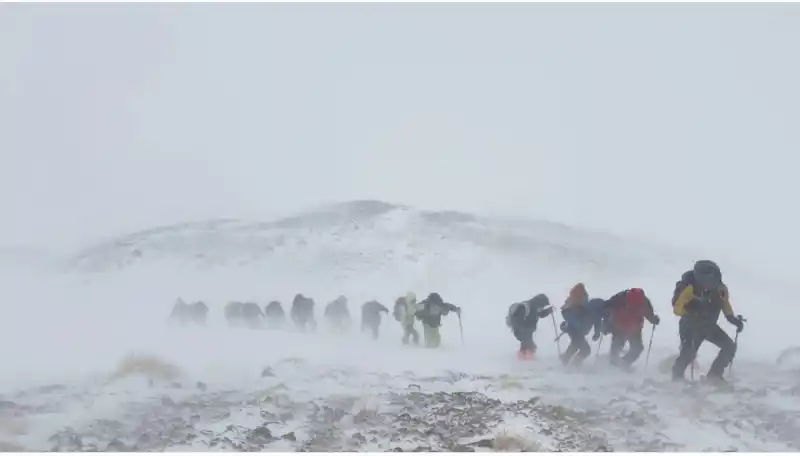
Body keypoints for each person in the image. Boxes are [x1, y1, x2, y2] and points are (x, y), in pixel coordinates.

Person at [671, 260, 745, 383]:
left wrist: (733, 320)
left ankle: (714, 375)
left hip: (708, 325)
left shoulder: (721, 289)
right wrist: (689, 311)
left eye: (712, 281)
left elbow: (725, 305)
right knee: (688, 353)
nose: (710, 284)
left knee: (729, 347)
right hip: (690, 325)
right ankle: (677, 376)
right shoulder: (689, 288)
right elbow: (677, 309)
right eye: (707, 281)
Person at [603, 288, 660, 369]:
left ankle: (624, 363)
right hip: (619, 326)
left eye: (637, 305)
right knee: (617, 345)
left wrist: (653, 319)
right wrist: (607, 323)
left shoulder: (644, 302)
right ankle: (614, 364)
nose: (635, 307)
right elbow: (606, 308)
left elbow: (648, 313)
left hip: (635, 327)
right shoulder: (619, 299)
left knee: (637, 348)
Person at [559, 283, 604, 366]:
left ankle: (565, 359)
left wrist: (597, 332)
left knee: (575, 345)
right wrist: (579, 327)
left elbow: (596, 319)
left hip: (577, 331)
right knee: (585, 349)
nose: (584, 299)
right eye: (582, 298)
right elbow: (571, 319)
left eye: (585, 297)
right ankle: (574, 365)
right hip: (575, 331)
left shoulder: (588, 307)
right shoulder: (571, 307)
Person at [505, 294, 554, 360]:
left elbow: (540, 314)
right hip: (522, 330)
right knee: (529, 346)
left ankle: (522, 358)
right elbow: (520, 320)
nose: (542, 307)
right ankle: (527, 360)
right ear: (540, 302)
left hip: (524, 330)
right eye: (543, 305)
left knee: (526, 344)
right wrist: (524, 329)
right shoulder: (527, 307)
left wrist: (548, 311)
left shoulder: (534, 307)